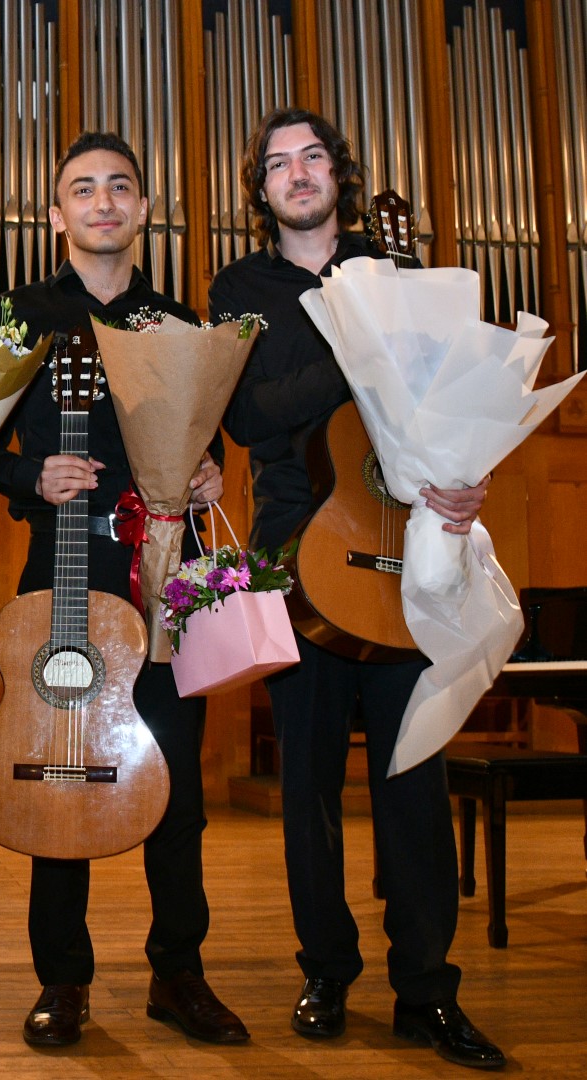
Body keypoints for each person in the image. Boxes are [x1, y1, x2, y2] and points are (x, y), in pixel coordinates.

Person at [210, 107, 503, 1070]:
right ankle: (327, 971)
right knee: (307, 786)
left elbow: (455, 400)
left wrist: (468, 473)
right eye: (278, 164)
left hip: (400, 547)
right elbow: (248, 415)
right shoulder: (242, 289)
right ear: (261, 190)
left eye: (313, 158)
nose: (298, 174)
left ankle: (427, 990)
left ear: (339, 173)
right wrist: (353, 350)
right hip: (297, 553)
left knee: (414, 779)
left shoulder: (397, 275)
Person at [0, 132, 248, 1049]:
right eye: (83, 189)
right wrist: (31, 476)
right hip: (61, 578)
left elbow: (204, 437)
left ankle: (179, 971)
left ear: (142, 209)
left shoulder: (178, 323)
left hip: (160, 575)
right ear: (56, 213)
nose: (103, 202)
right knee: (61, 772)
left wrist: (209, 473)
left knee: (175, 780)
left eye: (119, 187)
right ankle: (62, 980)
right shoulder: (17, 317)